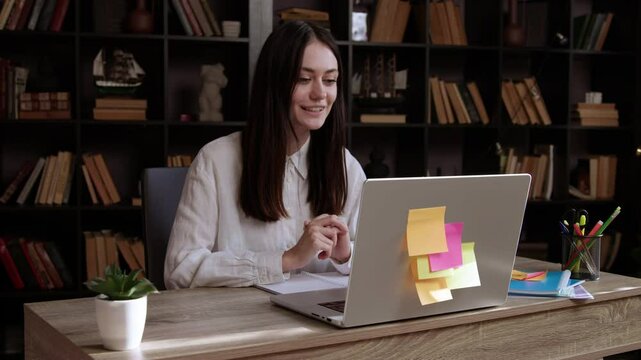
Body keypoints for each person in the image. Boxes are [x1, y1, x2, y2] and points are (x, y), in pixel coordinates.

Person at [164, 21, 366, 289]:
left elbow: (374, 266)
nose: (320, 94)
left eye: (329, 80)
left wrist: (346, 256)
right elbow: (180, 270)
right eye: (304, 79)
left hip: (323, 326)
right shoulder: (216, 161)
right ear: (274, 83)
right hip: (242, 323)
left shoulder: (346, 167)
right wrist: (286, 259)